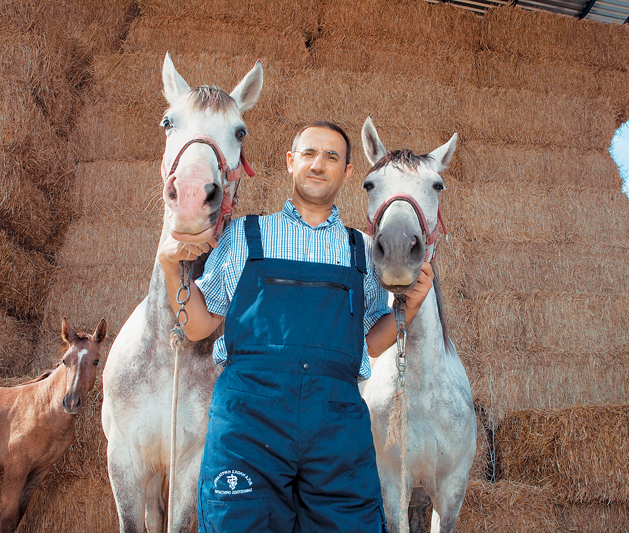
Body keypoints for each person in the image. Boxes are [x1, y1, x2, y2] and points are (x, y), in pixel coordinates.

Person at [157, 121, 434, 532]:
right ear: (290, 162)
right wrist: (169, 266)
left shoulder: (360, 249)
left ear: (348, 173)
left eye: (332, 157)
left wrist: (408, 309)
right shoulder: (246, 237)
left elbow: (371, 344)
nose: (319, 164)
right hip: (249, 428)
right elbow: (197, 326)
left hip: (336, 431)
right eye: (309, 153)